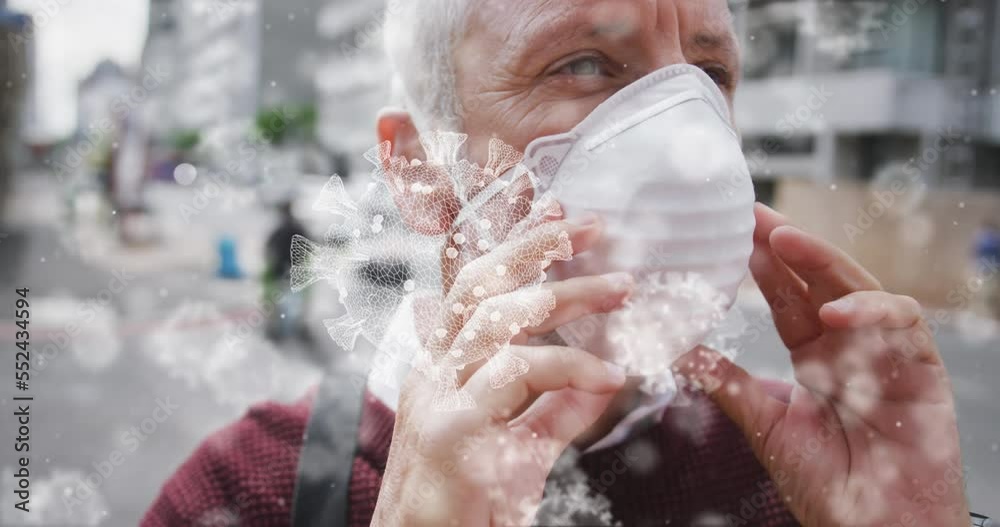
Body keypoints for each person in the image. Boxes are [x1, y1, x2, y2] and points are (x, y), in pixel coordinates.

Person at [141, 1, 975, 525]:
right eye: (584, 65)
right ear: (423, 170)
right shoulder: (248, 491)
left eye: (709, 73)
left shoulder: (803, 476)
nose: (688, 145)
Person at [263, 200, 310, 340]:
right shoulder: (298, 228)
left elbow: (269, 248)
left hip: (282, 269)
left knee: (276, 298)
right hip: (295, 270)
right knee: (297, 300)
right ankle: (296, 324)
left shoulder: (280, 230)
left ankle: (278, 325)